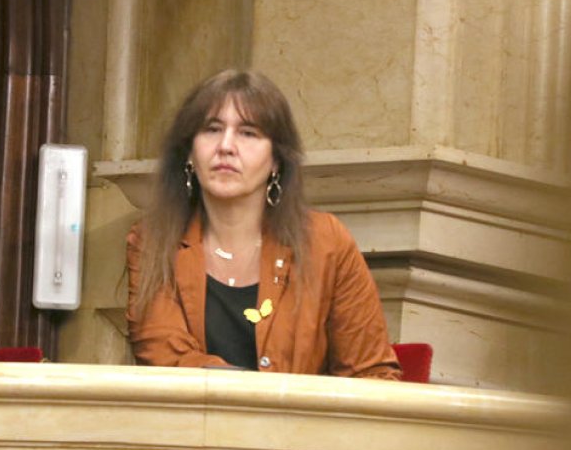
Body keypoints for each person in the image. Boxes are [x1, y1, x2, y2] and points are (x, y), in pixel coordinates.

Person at [126, 69, 402, 379]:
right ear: (189, 153)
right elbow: (164, 357)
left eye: (248, 133)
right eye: (212, 129)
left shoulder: (327, 242)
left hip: (300, 426)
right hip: (194, 425)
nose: (226, 146)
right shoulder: (152, 241)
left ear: (276, 161)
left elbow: (371, 373)